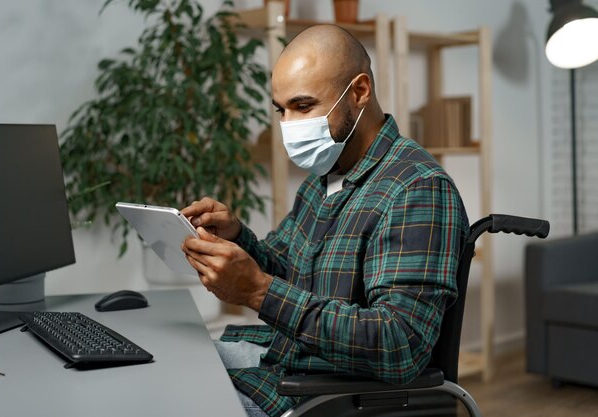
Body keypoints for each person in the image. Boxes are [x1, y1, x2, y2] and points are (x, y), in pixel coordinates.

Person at [181, 24, 469, 417]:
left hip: (323, 393)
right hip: (285, 361)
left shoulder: (416, 189)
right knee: (163, 365)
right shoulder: (325, 178)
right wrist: (237, 237)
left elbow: (400, 344)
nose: (289, 125)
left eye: (303, 106)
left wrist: (258, 293)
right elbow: (285, 271)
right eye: (280, 109)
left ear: (359, 92)